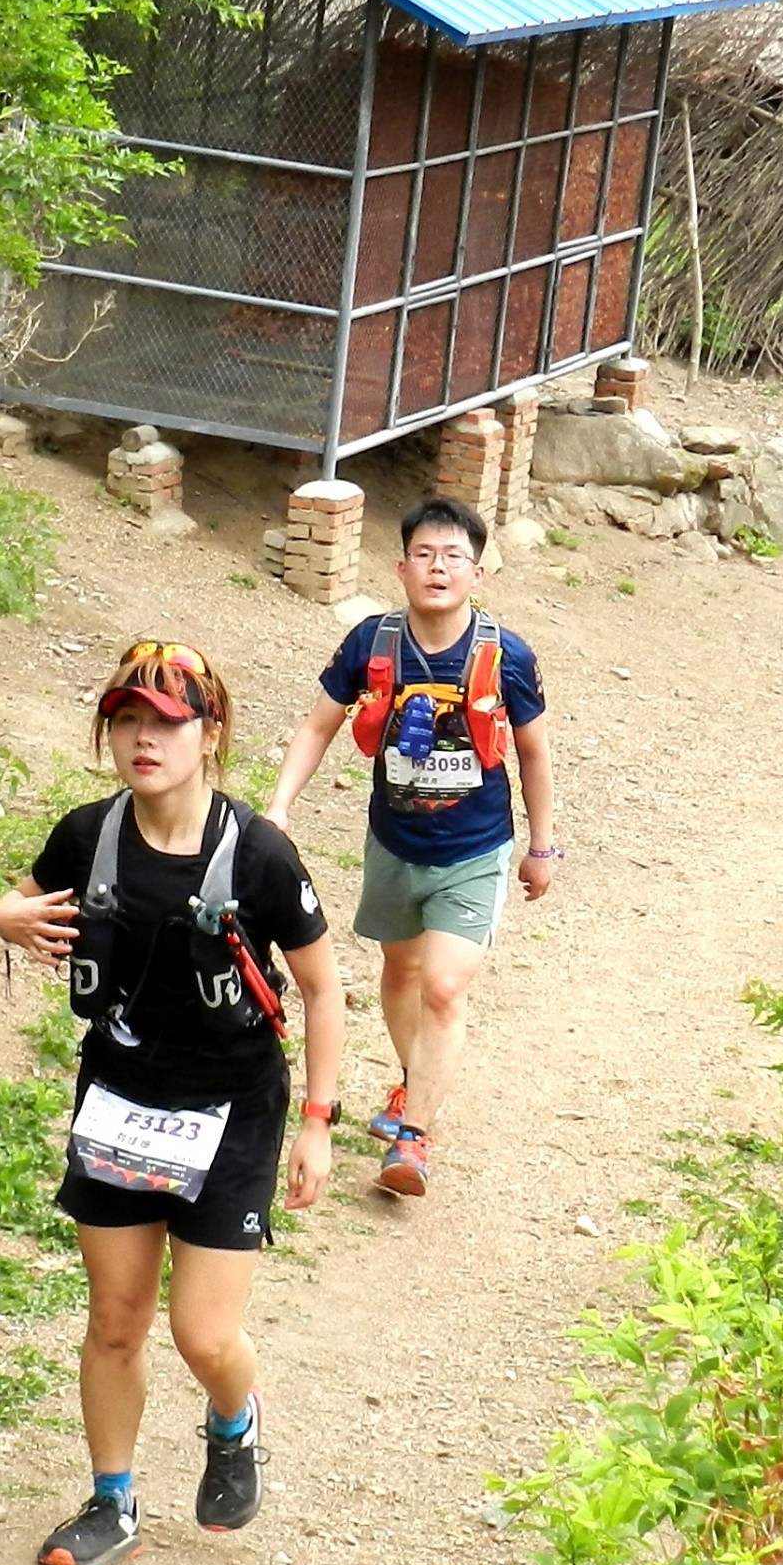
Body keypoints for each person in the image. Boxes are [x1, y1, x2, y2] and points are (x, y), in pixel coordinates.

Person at [0, 641, 342, 1565]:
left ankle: (234, 1421)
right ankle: (111, 1503)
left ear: (209, 734)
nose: (143, 740)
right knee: (114, 1319)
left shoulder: (259, 854)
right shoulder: (86, 835)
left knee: (203, 1334)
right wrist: (3, 917)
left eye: (166, 723)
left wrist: (318, 1121)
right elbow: (16, 902)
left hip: (233, 1112)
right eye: (127, 721)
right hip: (119, 1099)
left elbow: (321, 987)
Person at [265, 497, 554, 1200]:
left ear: (477, 572)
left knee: (443, 986)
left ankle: (414, 1137)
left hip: (475, 849)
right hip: (393, 842)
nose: (437, 568)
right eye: (423, 554)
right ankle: (409, 1084)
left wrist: (541, 847)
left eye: (453, 556)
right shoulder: (371, 643)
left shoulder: (504, 654)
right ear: (400, 568)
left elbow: (533, 754)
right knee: (399, 973)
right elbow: (317, 728)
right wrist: (276, 808)